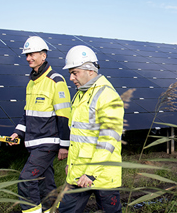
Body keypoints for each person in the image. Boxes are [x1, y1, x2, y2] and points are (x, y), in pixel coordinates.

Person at [58, 45, 124, 213]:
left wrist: (91, 173)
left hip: (102, 173)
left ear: (90, 71)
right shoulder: (80, 94)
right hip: (79, 171)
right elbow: (78, 136)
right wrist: (70, 165)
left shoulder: (107, 95)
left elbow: (108, 139)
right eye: (70, 73)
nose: (71, 78)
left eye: (75, 72)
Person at [9, 36, 71, 213]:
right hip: (33, 143)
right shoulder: (31, 84)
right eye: (26, 55)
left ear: (43, 56)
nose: (28, 58)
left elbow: (64, 116)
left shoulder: (56, 81)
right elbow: (27, 114)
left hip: (47, 144)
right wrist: (17, 134)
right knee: (45, 182)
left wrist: (64, 146)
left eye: (32, 54)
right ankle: (53, 210)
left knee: (26, 180)